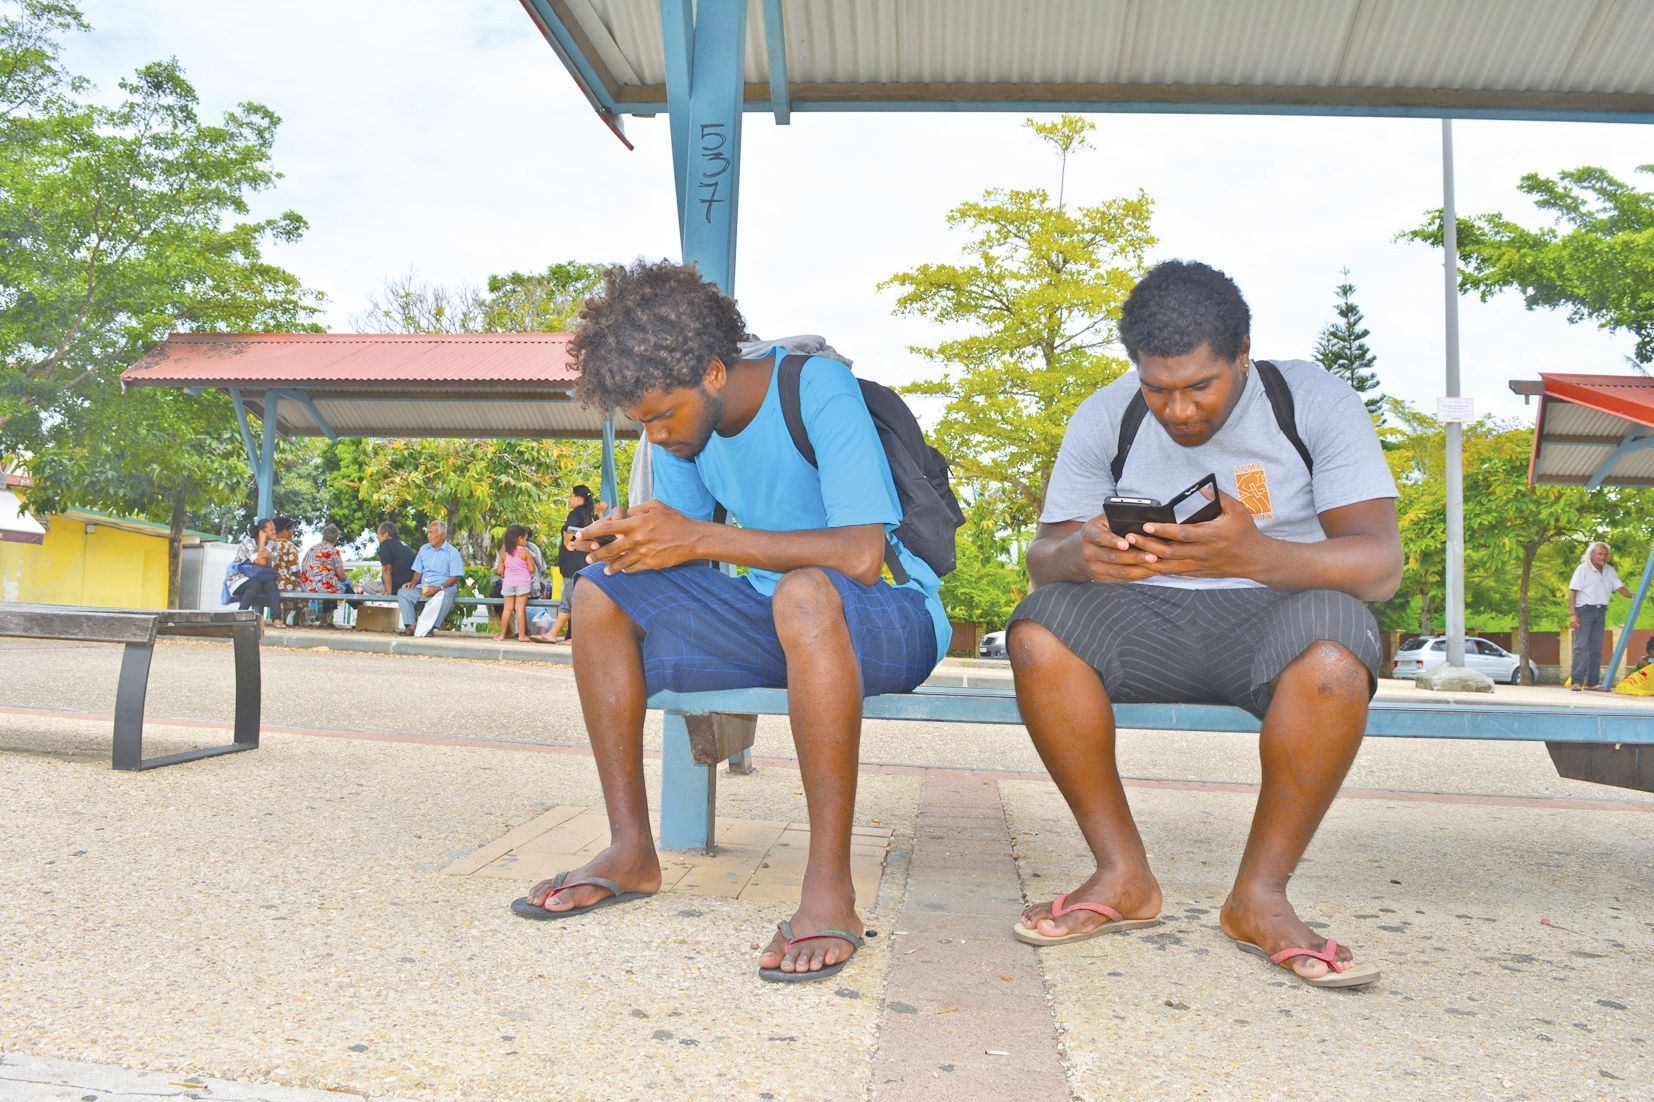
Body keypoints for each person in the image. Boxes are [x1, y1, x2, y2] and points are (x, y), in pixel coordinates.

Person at [511, 260, 949, 986]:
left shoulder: (815, 386)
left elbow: (860, 554)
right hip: (778, 617)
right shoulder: (685, 436)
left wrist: (699, 539)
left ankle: (829, 889)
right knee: (598, 594)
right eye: (641, 422)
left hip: (890, 613)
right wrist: (629, 546)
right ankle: (630, 850)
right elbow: (684, 548)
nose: (655, 436)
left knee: (806, 593)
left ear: (714, 372)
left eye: (661, 416)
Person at [1005, 260, 1401, 989]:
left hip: (1277, 620)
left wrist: (1258, 555)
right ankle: (1122, 874)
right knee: (1038, 627)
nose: (1178, 411)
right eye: (1158, 389)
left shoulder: (1310, 401)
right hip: (1145, 619)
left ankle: (1260, 897)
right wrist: (1082, 555)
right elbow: (1042, 559)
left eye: (1199, 387)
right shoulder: (1106, 413)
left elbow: (1380, 566)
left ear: (1242, 353)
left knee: (1338, 652)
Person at [535, 485, 597, 644]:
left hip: (573, 565)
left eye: (571, 496)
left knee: (569, 602)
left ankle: (554, 634)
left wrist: (568, 542)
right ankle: (570, 636)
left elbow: (569, 529)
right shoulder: (591, 515)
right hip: (585, 564)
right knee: (573, 601)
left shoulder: (576, 514)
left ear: (578, 498)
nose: (570, 499)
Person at [1568, 541, 1634, 691]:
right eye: (1599, 554)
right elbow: (1572, 592)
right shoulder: (1582, 569)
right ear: (1591, 554)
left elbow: (1620, 588)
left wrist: (1633, 596)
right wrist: (1573, 614)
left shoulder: (1610, 570)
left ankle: (1592, 683)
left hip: (1600, 611)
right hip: (1584, 611)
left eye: (1605, 554)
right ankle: (1577, 681)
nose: (1603, 557)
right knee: (1581, 647)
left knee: (1596, 649)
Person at [397, 521, 466, 636]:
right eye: (428, 532)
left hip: (444, 587)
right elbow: (418, 571)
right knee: (403, 592)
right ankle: (411, 626)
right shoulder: (424, 549)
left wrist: (438, 588)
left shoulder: (452, 552)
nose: (428, 535)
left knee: (448, 594)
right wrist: (412, 582)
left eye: (431, 533)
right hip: (424, 588)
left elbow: (455, 577)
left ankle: (430, 628)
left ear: (442, 536)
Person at [226, 517, 280, 624]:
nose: (275, 532)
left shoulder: (274, 546)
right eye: (271, 529)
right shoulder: (248, 542)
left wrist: (269, 557)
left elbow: (270, 567)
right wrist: (261, 542)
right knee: (254, 585)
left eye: (274, 529)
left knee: (271, 584)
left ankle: (277, 619)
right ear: (262, 532)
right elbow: (260, 562)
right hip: (240, 578)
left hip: (261, 577)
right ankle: (240, 617)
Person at [300, 524, 354, 627]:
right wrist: (348, 579)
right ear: (336, 538)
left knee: (330, 582)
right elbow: (341, 575)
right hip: (322, 587)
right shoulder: (333, 551)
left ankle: (303, 618)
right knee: (339, 586)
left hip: (307, 585)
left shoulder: (312, 549)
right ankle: (324, 619)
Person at [493, 524, 535, 642]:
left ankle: (501, 635)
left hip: (508, 583)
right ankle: (522, 635)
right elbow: (532, 569)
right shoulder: (525, 552)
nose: (526, 542)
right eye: (525, 539)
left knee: (507, 609)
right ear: (520, 538)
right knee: (520, 609)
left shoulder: (504, 553)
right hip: (522, 583)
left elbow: (500, 571)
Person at [375, 522, 416, 598]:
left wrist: (388, 593)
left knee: (367, 586)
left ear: (386, 534)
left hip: (396, 588)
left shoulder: (385, 544)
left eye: (378, 534)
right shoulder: (405, 546)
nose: (377, 537)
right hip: (410, 587)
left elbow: (387, 569)